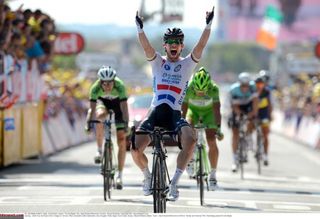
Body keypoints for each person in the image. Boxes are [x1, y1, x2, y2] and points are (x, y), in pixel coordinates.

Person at [132, 7, 214, 201]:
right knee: (135, 148)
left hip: (174, 114)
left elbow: (200, 46)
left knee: (191, 140)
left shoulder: (187, 64)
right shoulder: (158, 62)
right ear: (165, 46)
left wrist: (208, 25)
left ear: (182, 46)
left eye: (177, 42)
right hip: (155, 112)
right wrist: (140, 29)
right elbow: (146, 48)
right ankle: (147, 177)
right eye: (170, 42)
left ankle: (175, 183)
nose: (174, 45)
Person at [85, 66, 129, 190]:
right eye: (105, 83)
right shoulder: (95, 89)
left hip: (118, 106)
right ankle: (99, 150)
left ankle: (120, 175)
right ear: (100, 82)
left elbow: (124, 107)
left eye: (110, 83)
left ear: (114, 81)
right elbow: (92, 109)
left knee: (121, 139)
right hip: (102, 103)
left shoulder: (120, 86)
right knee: (99, 116)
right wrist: (88, 122)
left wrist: (126, 123)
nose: (108, 86)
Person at [181, 67, 224, 191]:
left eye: (203, 91)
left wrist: (218, 128)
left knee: (211, 140)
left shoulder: (214, 88)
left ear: (208, 87)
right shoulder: (188, 88)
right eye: (198, 91)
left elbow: (217, 110)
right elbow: (184, 109)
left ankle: (213, 175)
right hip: (193, 112)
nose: (200, 93)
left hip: (208, 113)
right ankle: (190, 160)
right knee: (188, 131)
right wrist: (182, 126)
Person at [229, 72, 258, 172]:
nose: (245, 88)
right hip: (237, 107)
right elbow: (234, 107)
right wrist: (239, 115)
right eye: (243, 86)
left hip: (248, 106)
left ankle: (248, 135)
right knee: (235, 132)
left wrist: (252, 114)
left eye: (247, 86)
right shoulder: (234, 89)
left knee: (253, 119)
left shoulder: (253, 88)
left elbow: (255, 103)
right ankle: (234, 159)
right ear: (239, 84)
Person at [255, 75, 273, 166]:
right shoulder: (252, 90)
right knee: (249, 125)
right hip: (255, 112)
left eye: (261, 84)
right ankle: (249, 140)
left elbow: (270, 105)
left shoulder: (267, 92)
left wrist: (270, 116)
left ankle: (265, 155)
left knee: (265, 134)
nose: (259, 86)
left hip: (264, 112)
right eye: (257, 84)